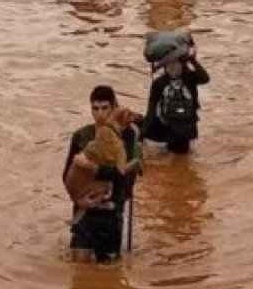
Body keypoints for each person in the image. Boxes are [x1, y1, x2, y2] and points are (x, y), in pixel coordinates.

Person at [63, 85, 140, 263]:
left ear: (113, 108)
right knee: (78, 269)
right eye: (95, 108)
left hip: (111, 212)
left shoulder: (128, 135)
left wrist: (95, 169)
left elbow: (126, 178)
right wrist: (78, 200)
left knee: (109, 271)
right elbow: (67, 174)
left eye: (104, 108)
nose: (99, 114)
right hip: (84, 207)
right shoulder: (81, 136)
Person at [142, 44, 210, 154]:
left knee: (183, 156)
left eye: (176, 63)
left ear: (182, 64)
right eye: (169, 64)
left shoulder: (190, 77)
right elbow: (151, 108)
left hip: (187, 126)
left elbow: (205, 79)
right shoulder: (159, 83)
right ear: (164, 66)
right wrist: (143, 133)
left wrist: (193, 61)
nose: (173, 66)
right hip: (169, 127)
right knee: (173, 156)